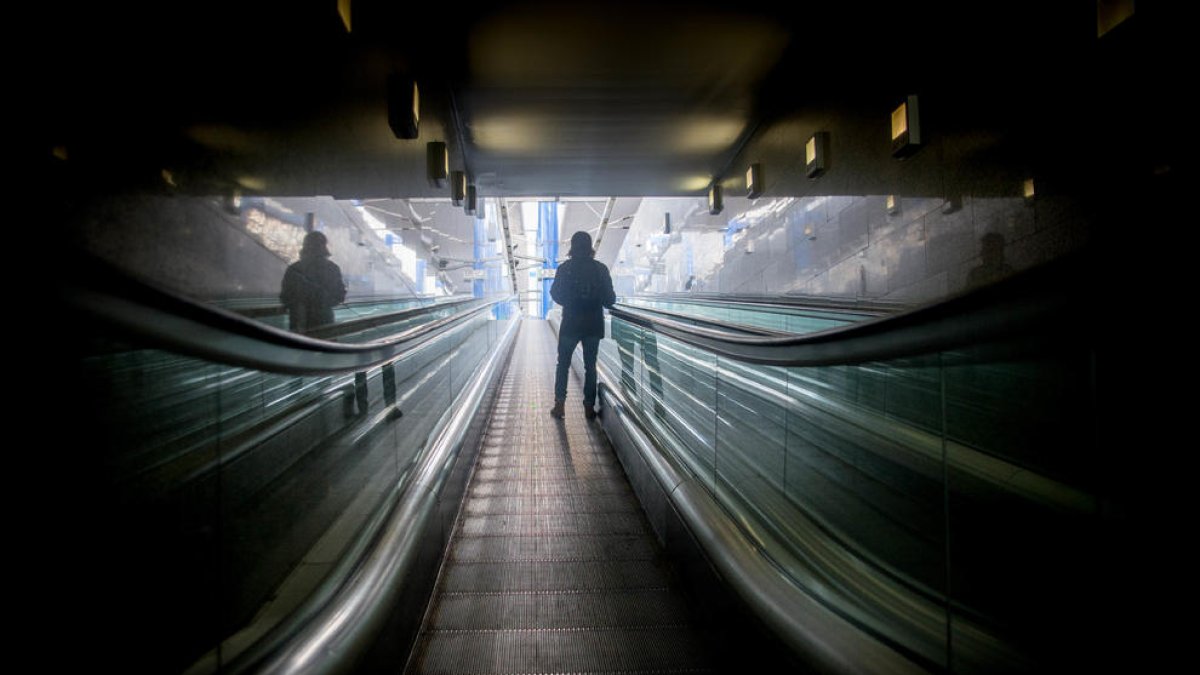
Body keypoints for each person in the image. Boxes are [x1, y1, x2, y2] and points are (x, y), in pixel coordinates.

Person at [550, 230, 616, 419]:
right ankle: (588, 406)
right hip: (593, 325)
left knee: (562, 364)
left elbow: (555, 293)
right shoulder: (600, 269)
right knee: (590, 366)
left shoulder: (565, 268)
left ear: (572, 247)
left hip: (570, 322)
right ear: (590, 248)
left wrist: (570, 301)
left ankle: (560, 404)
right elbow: (610, 300)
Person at [280, 231, 347, 333]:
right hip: (324, 320)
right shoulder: (332, 268)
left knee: (297, 347)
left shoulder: (294, 268)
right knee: (324, 346)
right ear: (324, 247)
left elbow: (285, 296)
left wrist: (299, 304)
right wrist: (322, 301)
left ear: (305, 246)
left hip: (298, 322)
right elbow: (339, 296)